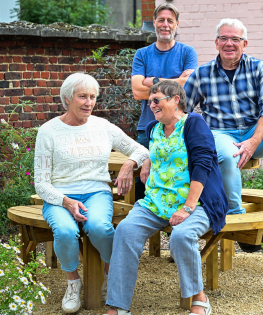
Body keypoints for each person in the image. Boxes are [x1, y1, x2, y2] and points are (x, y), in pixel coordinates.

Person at [104, 81, 227, 315]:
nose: (151, 105)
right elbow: (145, 150)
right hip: (155, 203)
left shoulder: (193, 124)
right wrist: (140, 163)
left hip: (197, 203)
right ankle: (117, 307)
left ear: (175, 100)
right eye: (149, 101)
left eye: (156, 100)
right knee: (125, 231)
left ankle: (199, 299)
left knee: (181, 237)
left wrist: (187, 208)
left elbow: (203, 166)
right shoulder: (153, 128)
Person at [183, 18, 263, 251]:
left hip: (253, 130)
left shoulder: (259, 68)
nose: (230, 43)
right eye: (224, 39)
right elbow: (182, 111)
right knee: (227, 155)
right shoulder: (201, 74)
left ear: (244, 43)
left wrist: (253, 141)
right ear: (216, 43)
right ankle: (240, 222)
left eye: (235, 39)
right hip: (219, 132)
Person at [34, 73, 149, 313]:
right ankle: (73, 281)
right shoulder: (48, 131)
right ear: (67, 99)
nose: (89, 102)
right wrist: (66, 202)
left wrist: (129, 164)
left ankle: (110, 275)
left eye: (93, 97)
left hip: (96, 193)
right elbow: (41, 183)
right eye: (82, 97)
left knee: (100, 227)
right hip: (59, 196)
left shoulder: (102, 126)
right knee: (65, 231)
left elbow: (140, 149)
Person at [131, 2, 198, 200]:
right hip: (148, 126)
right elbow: (136, 91)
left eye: (170, 21)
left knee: (179, 174)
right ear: (154, 23)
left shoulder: (187, 53)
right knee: (142, 179)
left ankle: (177, 221)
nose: (165, 25)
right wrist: (175, 83)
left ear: (177, 24)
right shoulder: (142, 54)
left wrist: (153, 81)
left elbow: (188, 87)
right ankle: (142, 223)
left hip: (180, 126)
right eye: (161, 20)